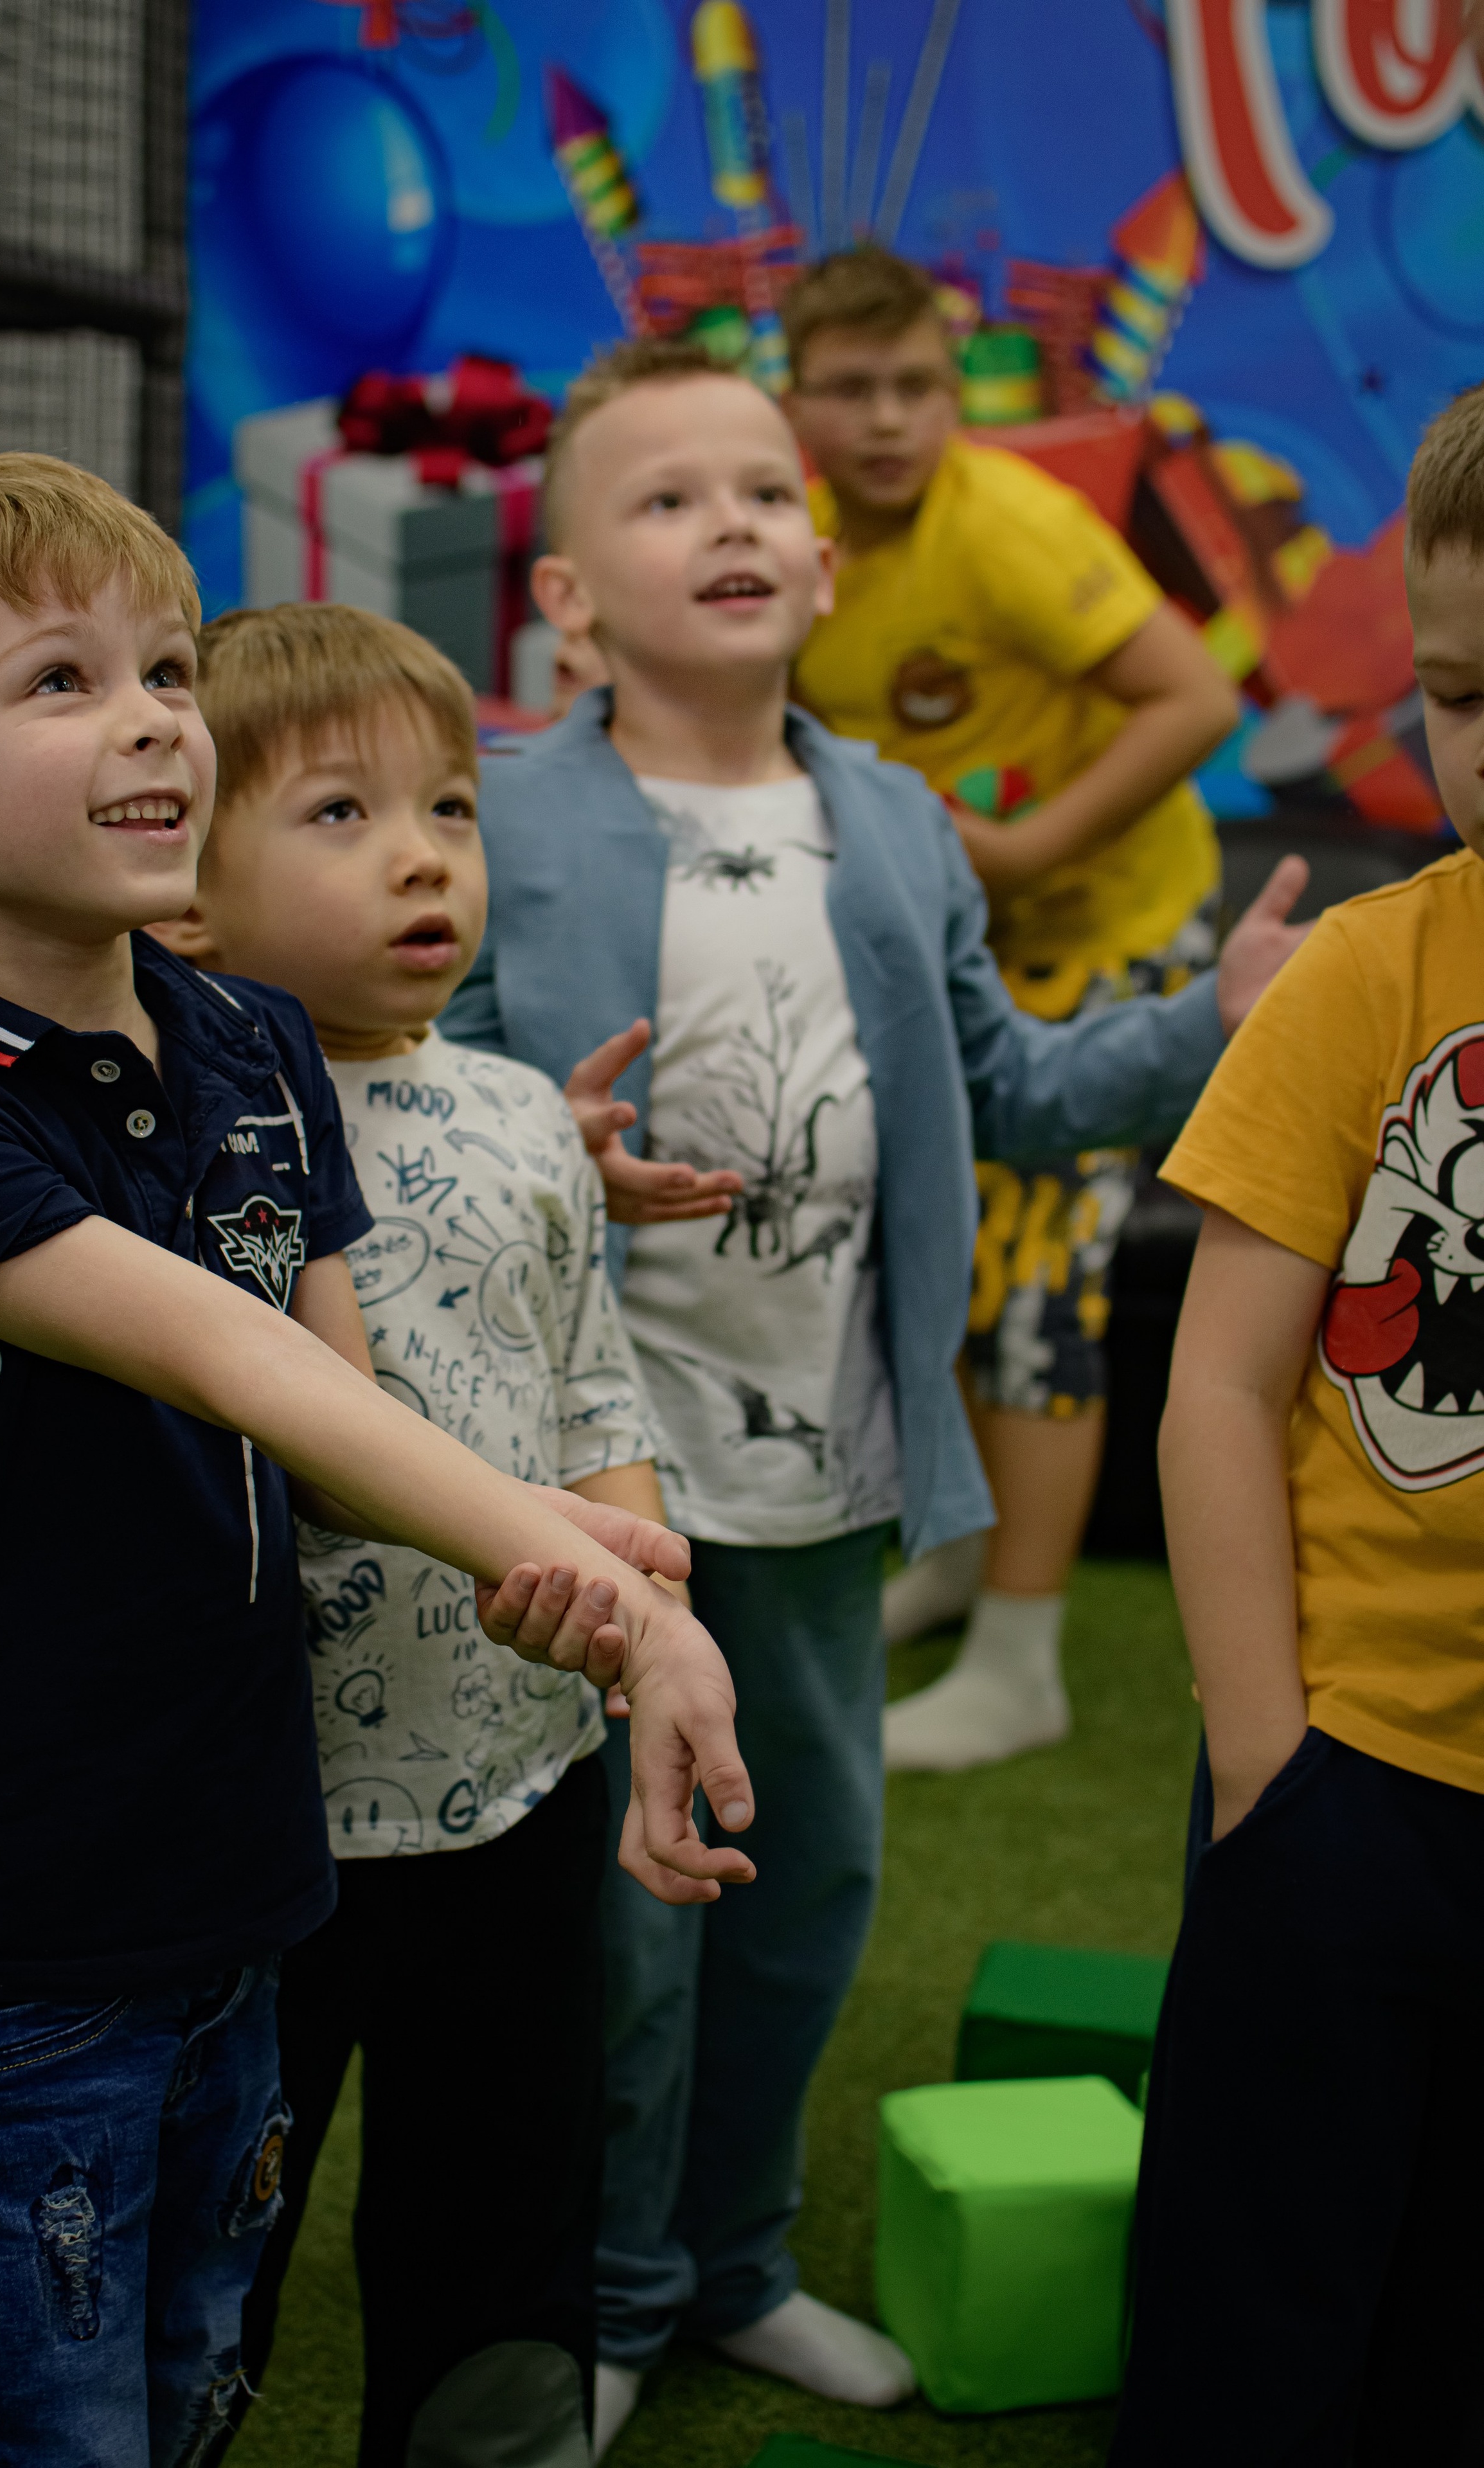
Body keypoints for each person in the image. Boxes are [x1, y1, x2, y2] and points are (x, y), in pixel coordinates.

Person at [0, 454, 754, 2467]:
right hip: (11, 1920)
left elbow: (352, 1458)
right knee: (54, 2425)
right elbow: (248, 1365)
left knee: (189, 2380)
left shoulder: (243, 1047)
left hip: (243, 1868)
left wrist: (576, 1593)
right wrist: (617, 1593)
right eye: (64, 680)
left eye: (168, 670)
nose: (160, 713)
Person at [437, 338, 1305, 2458]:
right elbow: (417, 1079)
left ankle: (738, 2265)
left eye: (759, 492)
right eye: (666, 499)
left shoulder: (898, 819)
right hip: (596, 1483)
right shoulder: (514, 811)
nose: (729, 522)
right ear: (564, 601)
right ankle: (614, 2293)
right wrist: (551, 1141)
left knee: (809, 1883)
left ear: (822, 562)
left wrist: (1210, 1017)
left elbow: (1014, 1091)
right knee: (625, 1942)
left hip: (828, 1477)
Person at [151, 600, 669, 2466]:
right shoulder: (175, 1123)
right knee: (208, 2228)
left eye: (448, 807)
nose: (423, 855)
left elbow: (596, 1382)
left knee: (504, 2199)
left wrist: (637, 1576)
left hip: (519, 1790)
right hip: (263, 1822)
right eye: (342, 815)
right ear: (186, 894)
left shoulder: (529, 1113)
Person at [1111, 388, 1484, 2464]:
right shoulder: (1371, 971)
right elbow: (1222, 1381)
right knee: (1259, 2321)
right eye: (1457, 690)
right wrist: (1273, 1769)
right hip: (1350, 1772)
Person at [782, 247, 1240, 1771]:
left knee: (1043, 1256)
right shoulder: (797, 538)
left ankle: (1023, 1655)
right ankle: (972, 1558)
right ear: (799, 397)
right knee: (954, 1231)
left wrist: (1033, 847)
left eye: (914, 385)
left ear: (953, 380)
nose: (888, 419)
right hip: (978, 941)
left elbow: (1194, 699)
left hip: (1117, 918)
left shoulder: (1011, 529)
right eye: (849, 389)